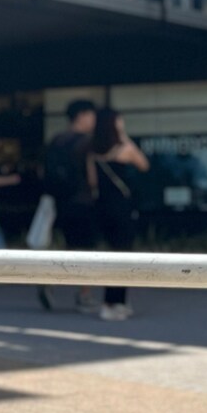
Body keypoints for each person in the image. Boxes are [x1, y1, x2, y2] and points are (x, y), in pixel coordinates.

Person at [90, 107, 150, 320]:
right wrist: (124, 136)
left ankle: (114, 301)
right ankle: (114, 302)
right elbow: (144, 165)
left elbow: (92, 182)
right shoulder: (125, 149)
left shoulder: (93, 151)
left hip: (102, 208)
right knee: (124, 255)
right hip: (122, 208)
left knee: (112, 255)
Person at [38, 98, 97, 312]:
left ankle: (50, 279)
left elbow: (44, 171)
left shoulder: (57, 140)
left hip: (60, 201)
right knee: (86, 250)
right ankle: (84, 294)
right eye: (91, 116)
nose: (94, 121)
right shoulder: (87, 142)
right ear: (82, 116)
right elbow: (91, 176)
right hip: (83, 201)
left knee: (69, 246)